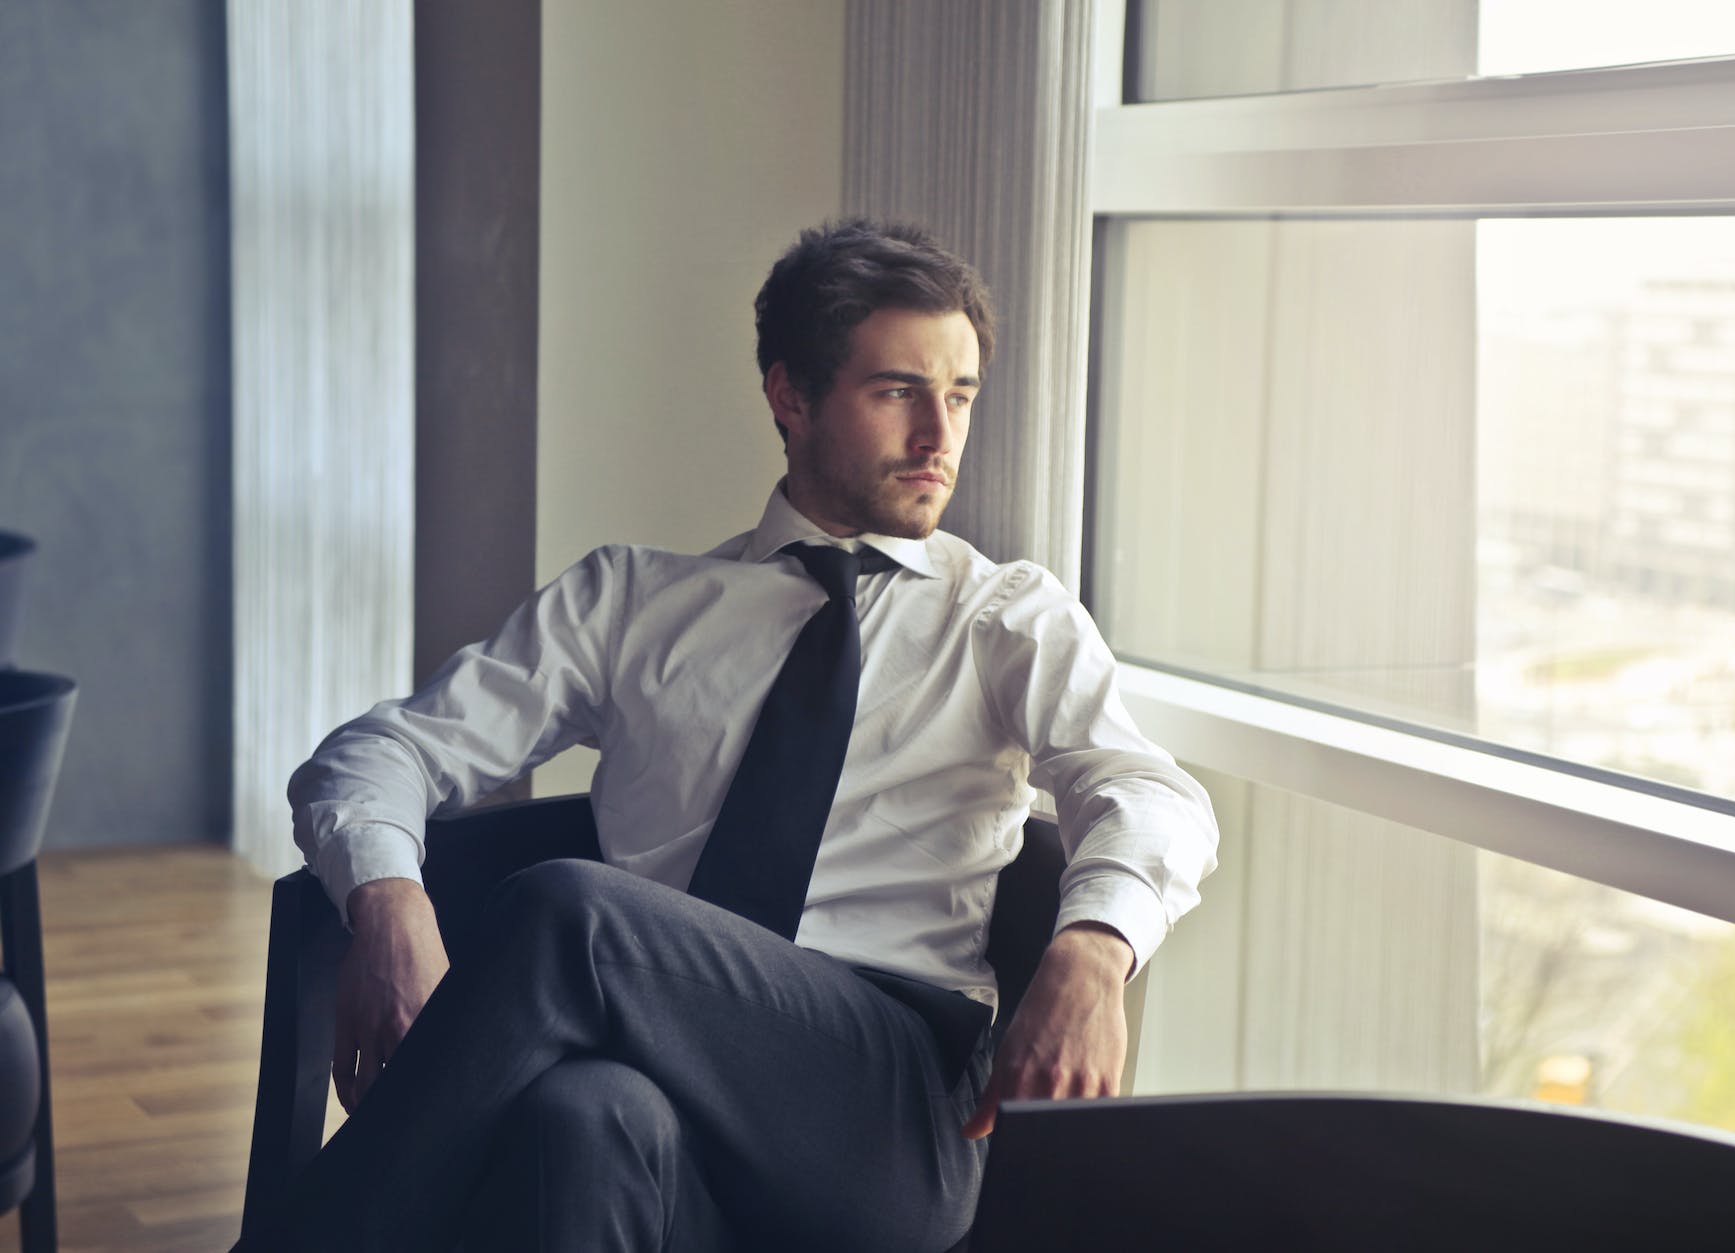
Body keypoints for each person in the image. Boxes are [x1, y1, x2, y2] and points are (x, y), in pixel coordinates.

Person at [237, 219, 1217, 1253]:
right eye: (898, 392)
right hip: (660, 1096)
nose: (940, 434)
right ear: (789, 397)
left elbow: (1153, 794)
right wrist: (387, 900)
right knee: (585, 1119)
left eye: (960, 394)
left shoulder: (1003, 617)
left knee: (566, 912)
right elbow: (372, 753)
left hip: (879, 1109)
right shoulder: (632, 601)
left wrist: (1095, 947)